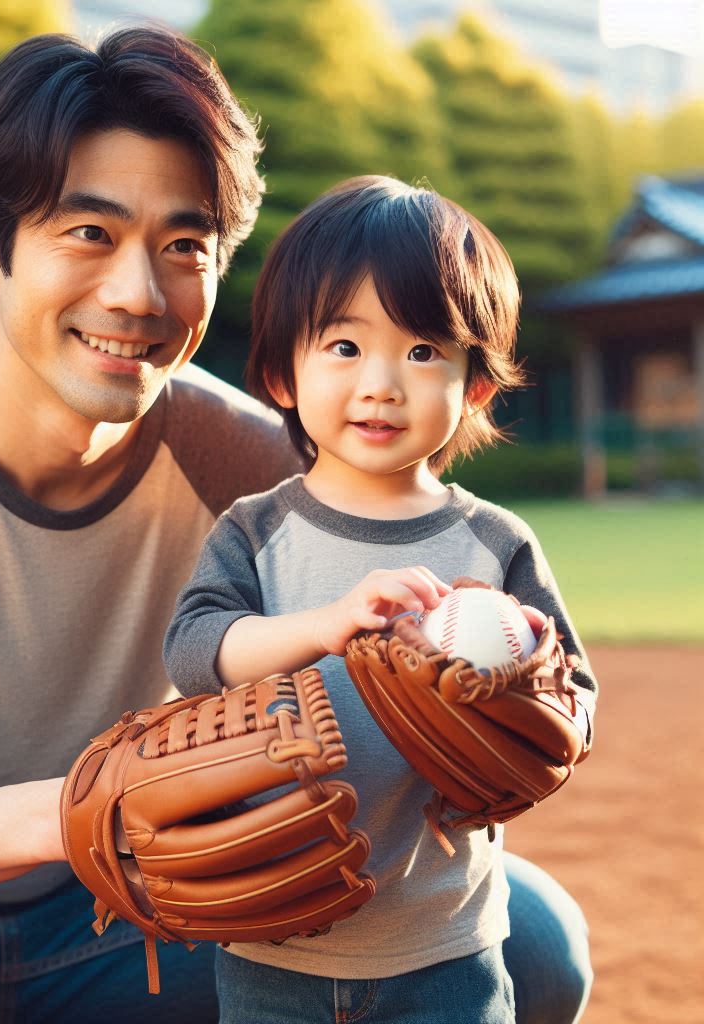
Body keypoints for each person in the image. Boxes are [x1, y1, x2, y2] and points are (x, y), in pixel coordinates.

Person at [0, 27, 590, 1024]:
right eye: (89, 233)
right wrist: (82, 809)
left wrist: (481, 713)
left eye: (183, 246)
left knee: (527, 937)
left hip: (157, 919)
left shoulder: (265, 468)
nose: (139, 293)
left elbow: (375, 693)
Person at [164, 175, 598, 1024]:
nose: (383, 384)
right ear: (283, 373)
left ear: (475, 384)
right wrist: (326, 626)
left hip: (446, 943)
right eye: (344, 346)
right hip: (274, 942)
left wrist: (533, 704)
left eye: (424, 351)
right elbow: (193, 649)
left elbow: (575, 702)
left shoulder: (496, 544)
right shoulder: (255, 532)